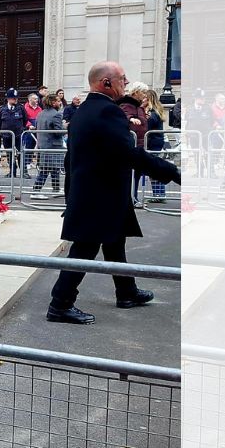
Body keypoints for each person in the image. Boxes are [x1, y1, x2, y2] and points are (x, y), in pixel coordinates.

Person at [46, 61, 180, 325]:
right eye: (122, 79)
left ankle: (126, 291)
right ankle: (60, 304)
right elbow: (128, 153)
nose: (126, 84)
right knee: (84, 250)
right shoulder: (107, 112)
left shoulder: (85, 110)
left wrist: (71, 195)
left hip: (95, 193)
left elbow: (71, 160)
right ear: (105, 83)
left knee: (114, 244)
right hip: (99, 196)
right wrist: (172, 171)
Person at [118, 82, 150, 205]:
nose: (144, 95)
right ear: (136, 92)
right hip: (131, 144)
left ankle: (134, 197)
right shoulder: (127, 104)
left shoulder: (139, 106)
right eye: (143, 92)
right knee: (130, 174)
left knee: (136, 174)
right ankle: (131, 198)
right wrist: (131, 119)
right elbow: (124, 115)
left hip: (140, 143)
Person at [137, 86, 170, 203]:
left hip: (153, 143)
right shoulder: (156, 111)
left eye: (145, 98)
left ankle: (159, 194)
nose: (142, 100)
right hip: (156, 142)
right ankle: (159, 194)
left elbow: (147, 126)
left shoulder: (152, 113)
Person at [31, 93, 64, 199]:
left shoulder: (40, 113)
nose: (60, 103)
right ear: (53, 102)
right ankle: (36, 191)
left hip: (42, 144)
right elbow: (58, 132)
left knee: (54, 168)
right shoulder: (56, 114)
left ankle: (56, 189)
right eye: (58, 101)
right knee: (46, 169)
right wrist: (65, 127)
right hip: (52, 145)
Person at [0, 88, 27, 177]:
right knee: (9, 154)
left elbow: (25, 120)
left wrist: (21, 128)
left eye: (16, 98)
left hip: (18, 135)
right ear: (8, 99)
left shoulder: (20, 108)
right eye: (14, 98)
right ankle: (12, 172)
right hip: (7, 136)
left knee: (20, 153)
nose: (16, 100)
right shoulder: (2, 109)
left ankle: (23, 172)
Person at [22, 91, 43, 171]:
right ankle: (27, 162)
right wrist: (29, 125)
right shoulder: (25, 108)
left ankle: (36, 162)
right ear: (30, 100)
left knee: (37, 146)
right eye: (35, 99)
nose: (37, 100)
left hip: (37, 128)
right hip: (29, 130)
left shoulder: (39, 108)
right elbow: (25, 119)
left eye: (37, 99)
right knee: (29, 146)